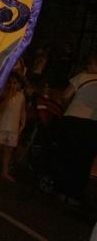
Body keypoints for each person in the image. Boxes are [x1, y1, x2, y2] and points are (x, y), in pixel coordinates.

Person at [55, 53, 97, 204]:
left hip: (73, 119)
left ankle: (60, 190)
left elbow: (66, 95)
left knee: (67, 154)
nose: (88, 66)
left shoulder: (82, 76)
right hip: (92, 124)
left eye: (90, 64)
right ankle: (74, 194)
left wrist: (68, 109)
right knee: (83, 160)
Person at [0, 72, 27, 181]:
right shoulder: (4, 94)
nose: (13, 86)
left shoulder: (21, 96)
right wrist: (9, 96)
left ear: (20, 85)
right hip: (1, 125)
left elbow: (23, 111)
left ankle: (4, 172)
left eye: (15, 83)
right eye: (10, 83)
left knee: (8, 150)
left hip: (13, 127)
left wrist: (23, 121)